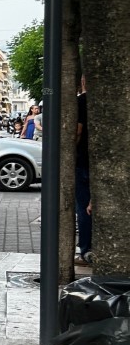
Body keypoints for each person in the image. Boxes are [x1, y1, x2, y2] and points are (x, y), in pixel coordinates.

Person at [75, 91, 92, 265]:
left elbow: (77, 131)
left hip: (83, 160)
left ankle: (86, 250)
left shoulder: (82, 100)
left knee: (84, 207)